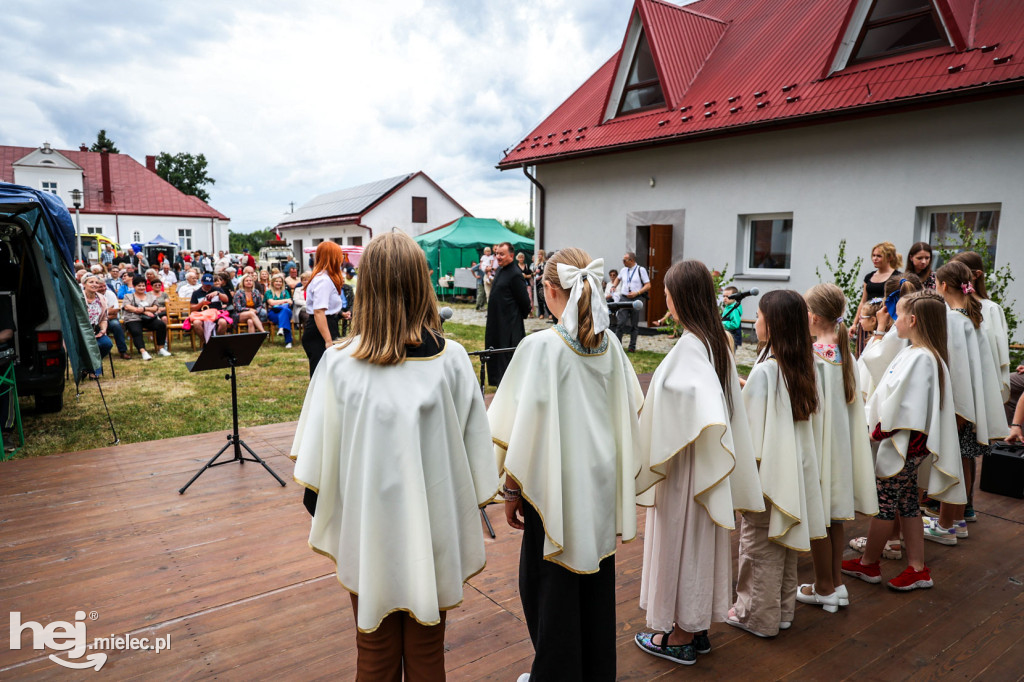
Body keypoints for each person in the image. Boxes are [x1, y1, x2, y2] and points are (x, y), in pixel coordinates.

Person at [291, 231, 496, 681]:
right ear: (421, 285)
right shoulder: (454, 360)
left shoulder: (338, 363)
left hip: (366, 533)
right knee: (427, 655)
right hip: (434, 526)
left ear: (366, 288)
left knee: (376, 653)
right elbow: (477, 459)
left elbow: (314, 475)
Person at [488, 247, 643, 682]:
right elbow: (630, 409)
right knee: (594, 583)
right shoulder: (610, 345)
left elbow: (520, 429)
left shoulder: (541, 347)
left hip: (553, 486)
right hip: (598, 485)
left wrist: (513, 491)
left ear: (552, 290)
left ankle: (554, 674)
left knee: (546, 588)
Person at [633, 260, 763, 666]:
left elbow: (697, 408)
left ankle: (680, 636)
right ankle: (696, 625)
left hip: (685, 468)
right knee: (698, 544)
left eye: (669, 293)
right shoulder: (715, 340)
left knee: (681, 542)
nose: (666, 299)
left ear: (680, 298)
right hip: (699, 465)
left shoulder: (692, 347)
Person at [842, 291, 964, 590]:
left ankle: (869, 564)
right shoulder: (917, 352)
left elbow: (908, 406)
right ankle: (918, 567)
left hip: (903, 444)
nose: (894, 320)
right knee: (908, 503)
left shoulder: (922, 357)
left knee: (884, 503)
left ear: (912, 319)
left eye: (898, 315)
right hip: (907, 443)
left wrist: (879, 430)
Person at [728, 290, 824, 638]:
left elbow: (751, 430)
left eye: (759, 316)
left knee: (756, 546)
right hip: (793, 471)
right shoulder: (802, 363)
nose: (755, 322)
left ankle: (756, 616)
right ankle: (782, 611)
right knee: (782, 545)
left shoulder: (767, 370)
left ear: (775, 323)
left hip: (765, 475)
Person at [796, 284, 878, 614]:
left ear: (813, 317)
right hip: (839, 450)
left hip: (820, 448)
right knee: (835, 516)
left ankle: (824, 586)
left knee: (820, 518)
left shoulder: (814, 357)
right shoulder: (844, 355)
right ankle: (836, 584)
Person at [924, 262, 1006, 542]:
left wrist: (958, 413)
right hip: (970, 407)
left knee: (955, 461)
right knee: (964, 460)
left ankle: (946, 524)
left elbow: (957, 371)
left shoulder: (953, 320)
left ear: (943, 285)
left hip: (960, 409)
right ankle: (957, 520)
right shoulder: (973, 317)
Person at [952, 251, 1010, 404]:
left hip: (982, 379)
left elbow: (996, 352)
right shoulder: (947, 307)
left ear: (976, 275)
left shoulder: (991, 309)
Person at [484, 242, 530, 387]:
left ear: (511, 255)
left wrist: (513, 319)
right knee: (495, 356)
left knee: (506, 361)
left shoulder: (515, 274)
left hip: (508, 327)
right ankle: (498, 386)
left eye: (501, 254)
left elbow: (525, 303)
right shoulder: (500, 270)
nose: (498, 257)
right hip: (496, 324)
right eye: (497, 253)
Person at [301, 241, 350, 376]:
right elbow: (319, 312)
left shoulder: (325, 278)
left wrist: (340, 314)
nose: (342, 259)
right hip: (321, 331)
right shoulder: (323, 280)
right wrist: (328, 341)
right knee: (321, 374)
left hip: (326, 326)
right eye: (339, 255)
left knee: (328, 374)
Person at [853, 242, 902, 354]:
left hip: (883, 321)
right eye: (873, 255)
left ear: (889, 257)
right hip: (866, 320)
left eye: (879, 256)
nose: (875, 258)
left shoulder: (896, 277)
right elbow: (863, 301)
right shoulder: (869, 277)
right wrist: (855, 323)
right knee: (863, 351)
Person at [122, 275, 171, 361]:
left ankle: (161, 348)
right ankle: (143, 351)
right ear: (134, 286)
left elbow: (155, 308)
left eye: (143, 285)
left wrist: (145, 309)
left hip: (148, 319)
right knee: (136, 331)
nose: (141, 287)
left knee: (161, 325)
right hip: (133, 319)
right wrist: (144, 311)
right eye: (139, 286)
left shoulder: (151, 296)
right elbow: (127, 307)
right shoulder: (128, 296)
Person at [616, 251, 651, 353]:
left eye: (624, 260)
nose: (623, 262)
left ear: (631, 260)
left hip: (636, 299)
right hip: (624, 298)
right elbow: (618, 279)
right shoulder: (623, 270)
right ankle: (618, 346)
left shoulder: (641, 270)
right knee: (620, 322)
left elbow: (648, 285)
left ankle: (632, 346)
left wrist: (637, 292)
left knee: (634, 324)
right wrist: (614, 286)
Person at [83, 275, 113, 369]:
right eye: (91, 282)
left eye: (96, 282)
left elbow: (104, 318)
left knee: (107, 344)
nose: (94, 284)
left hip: (96, 329)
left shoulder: (102, 299)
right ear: (84, 284)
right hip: (81, 330)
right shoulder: (78, 297)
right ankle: (93, 369)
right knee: (94, 345)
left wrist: (103, 330)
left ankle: (90, 367)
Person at [190, 273, 230, 339]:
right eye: (206, 284)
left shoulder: (217, 290)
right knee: (196, 323)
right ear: (202, 282)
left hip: (217, 314)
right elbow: (192, 308)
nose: (208, 286)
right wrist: (201, 304)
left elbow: (226, 300)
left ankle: (218, 342)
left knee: (223, 322)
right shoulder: (196, 293)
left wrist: (218, 294)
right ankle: (205, 342)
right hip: (202, 315)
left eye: (210, 284)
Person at [265, 274, 294, 348]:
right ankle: (288, 341)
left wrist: (277, 302)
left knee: (285, 311)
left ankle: (281, 328)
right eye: (276, 281)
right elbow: (271, 303)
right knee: (285, 315)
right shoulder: (269, 292)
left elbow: (290, 303)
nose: (278, 283)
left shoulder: (285, 292)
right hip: (273, 313)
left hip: (286, 311)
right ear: (272, 282)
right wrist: (285, 301)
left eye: (280, 281)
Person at [533, 250, 549, 319]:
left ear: (543, 255)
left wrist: (541, 276)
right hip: (537, 282)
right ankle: (541, 313)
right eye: (538, 254)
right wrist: (535, 273)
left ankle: (549, 313)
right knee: (539, 298)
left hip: (543, 281)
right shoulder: (537, 264)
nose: (539, 256)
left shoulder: (545, 263)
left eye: (540, 254)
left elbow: (546, 272)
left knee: (544, 297)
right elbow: (533, 273)